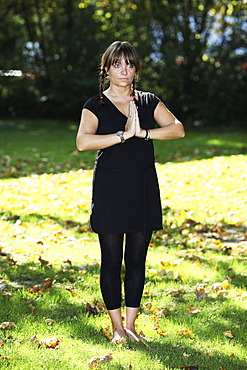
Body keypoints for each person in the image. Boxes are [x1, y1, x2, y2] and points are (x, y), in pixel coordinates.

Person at [76, 41, 185, 344]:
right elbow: (83, 142)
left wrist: (144, 132)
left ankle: (132, 325)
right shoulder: (95, 104)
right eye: (116, 64)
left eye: (129, 64)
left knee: (137, 260)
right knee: (111, 260)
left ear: (136, 69)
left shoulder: (148, 101)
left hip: (142, 185)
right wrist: (123, 134)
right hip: (110, 186)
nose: (123, 70)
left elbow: (177, 129)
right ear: (107, 69)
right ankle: (116, 328)